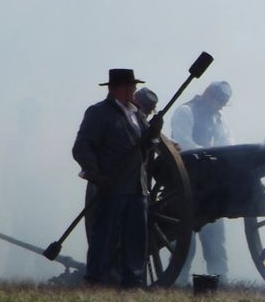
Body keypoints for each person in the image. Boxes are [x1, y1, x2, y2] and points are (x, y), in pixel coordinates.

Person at [72, 69, 158, 287]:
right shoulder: (99, 113)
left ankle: (133, 282)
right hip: (112, 185)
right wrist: (97, 176)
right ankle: (96, 280)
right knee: (104, 237)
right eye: (131, 87)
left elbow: (145, 149)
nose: (134, 91)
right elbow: (81, 148)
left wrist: (153, 134)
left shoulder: (137, 114)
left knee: (135, 239)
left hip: (138, 187)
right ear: (118, 88)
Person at [171, 80, 233, 283]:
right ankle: (179, 281)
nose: (219, 106)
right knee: (185, 243)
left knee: (216, 239)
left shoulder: (219, 118)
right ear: (207, 95)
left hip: (211, 185)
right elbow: (183, 143)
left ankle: (221, 281)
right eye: (217, 101)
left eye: (222, 103)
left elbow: (226, 145)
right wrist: (210, 156)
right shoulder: (185, 111)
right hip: (186, 181)